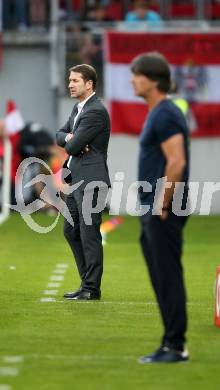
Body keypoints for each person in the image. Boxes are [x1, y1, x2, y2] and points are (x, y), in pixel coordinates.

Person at [130, 52, 190, 363]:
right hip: (153, 205)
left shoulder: (165, 113)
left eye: (136, 74)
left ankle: (176, 345)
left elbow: (176, 162)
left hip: (162, 206)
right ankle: (170, 342)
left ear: (152, 80)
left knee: (167, 276)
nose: (131, 80)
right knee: (160, 277)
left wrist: (162, 204)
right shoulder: (157, 112)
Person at [56, 64, 111, 301]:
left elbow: (71, 146)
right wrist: (71, 137)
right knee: (71, 230)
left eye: (75, 80)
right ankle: (86, 282)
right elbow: (60, 135)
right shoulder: (78, 108)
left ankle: (91, 288)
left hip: (91, 180)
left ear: (89, 84)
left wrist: (71, 140)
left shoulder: (95, 111)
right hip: (77, 179)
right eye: (70, 80)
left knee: (89, 234)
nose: (70, 84)